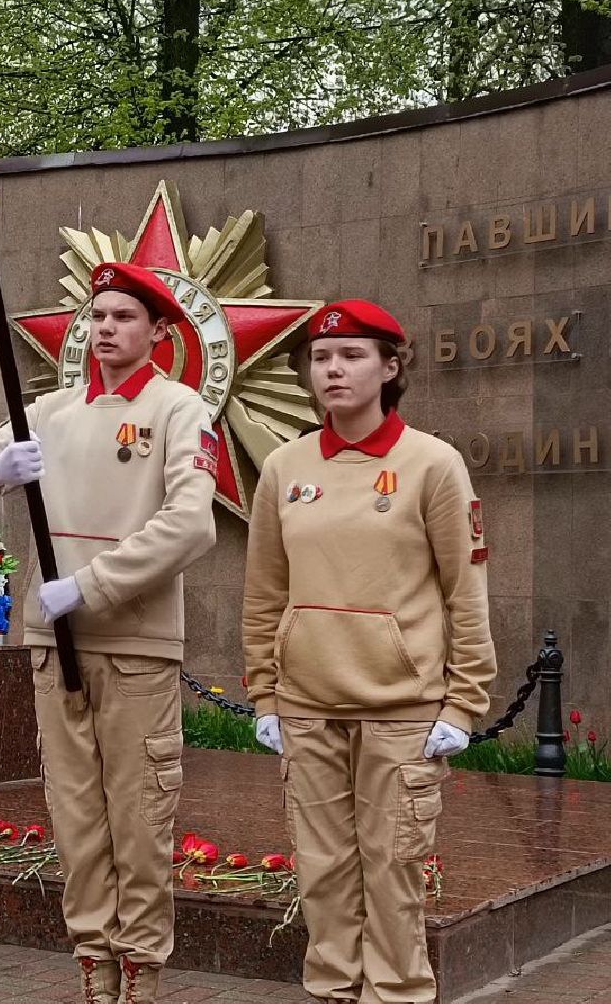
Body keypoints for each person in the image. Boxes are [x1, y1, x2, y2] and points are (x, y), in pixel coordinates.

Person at [0, 262, 218, 1004]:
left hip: (135, 642)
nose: (106, 330)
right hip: (52, 647)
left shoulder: (179, 409)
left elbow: (190, 525)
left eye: (123, 317)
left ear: (158, 331)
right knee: (77, 818)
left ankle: (142, 977)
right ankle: (94, 968)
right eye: (97, 317)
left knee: (139, 818)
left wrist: (88, 586)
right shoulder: (48, 412)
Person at [241, 300, 497, 1003]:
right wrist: (265, 693)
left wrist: (464, 702)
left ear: (390, 367)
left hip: (402, 711)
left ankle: (396, 995)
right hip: (307, 706)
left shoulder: (432, 465)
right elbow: (264, 592)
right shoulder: (286, 468)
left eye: (351, 356)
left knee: (393, 871)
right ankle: (332, 992)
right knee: (321, 872)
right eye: (321, 358)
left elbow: (464, 590)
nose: (333, 369)